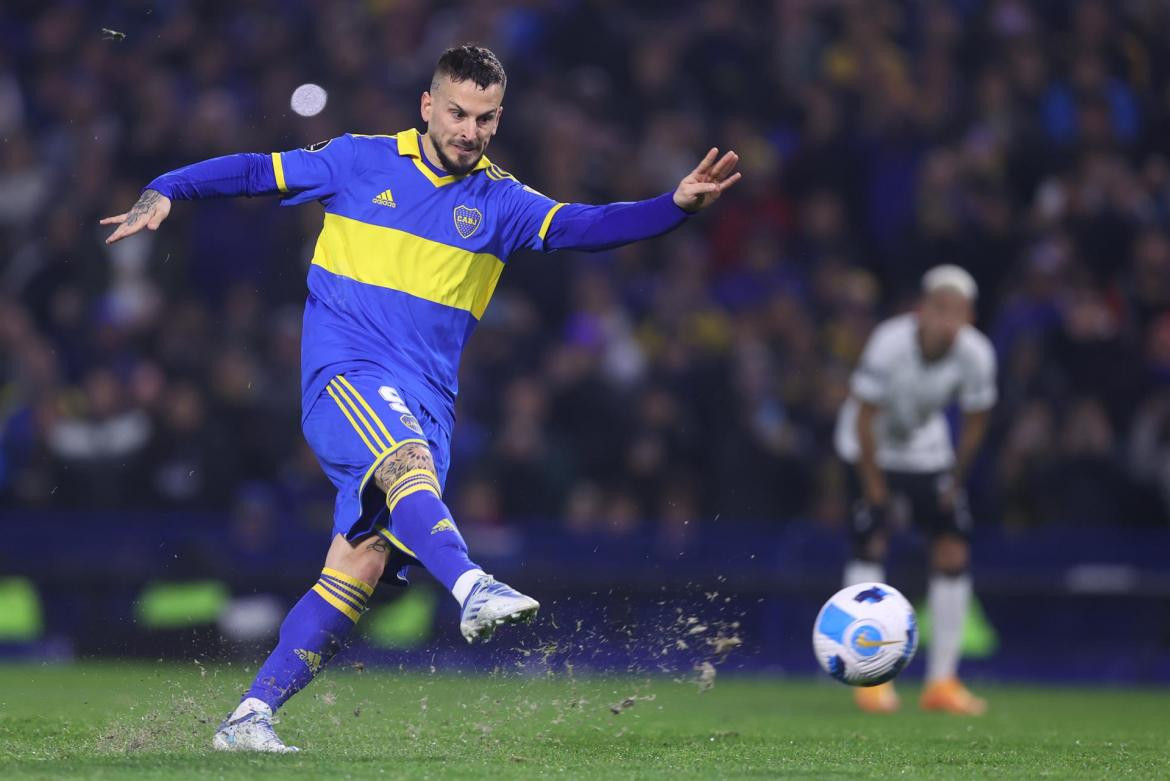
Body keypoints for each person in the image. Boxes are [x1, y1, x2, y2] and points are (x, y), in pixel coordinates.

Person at [101, 44, 740, 752]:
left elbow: (585, 226)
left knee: (359, 567)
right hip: (345, 378)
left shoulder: (501, 200)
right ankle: (471, 585)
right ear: (428, 106)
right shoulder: (356, 159)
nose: (470, 130)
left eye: (486, 118)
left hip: (427, 400)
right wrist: (167, 185)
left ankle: (250, 715)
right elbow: (256, 170)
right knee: (403, 462)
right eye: (459, 113)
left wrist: (674, 206)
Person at [833, 265, 996, 716]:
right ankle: (868, 678)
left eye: (957, 312)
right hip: (866, 448)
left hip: (927, 452)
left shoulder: (977, 355)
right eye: (940, 309)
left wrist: (956, 483)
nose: (948, 321)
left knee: (953, 551)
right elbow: (865, 416)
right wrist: (874, 489)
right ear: (922, 311)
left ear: (970, 317)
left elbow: (976, 421)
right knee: (871, 542)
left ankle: (942, 681)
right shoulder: (889, 341)